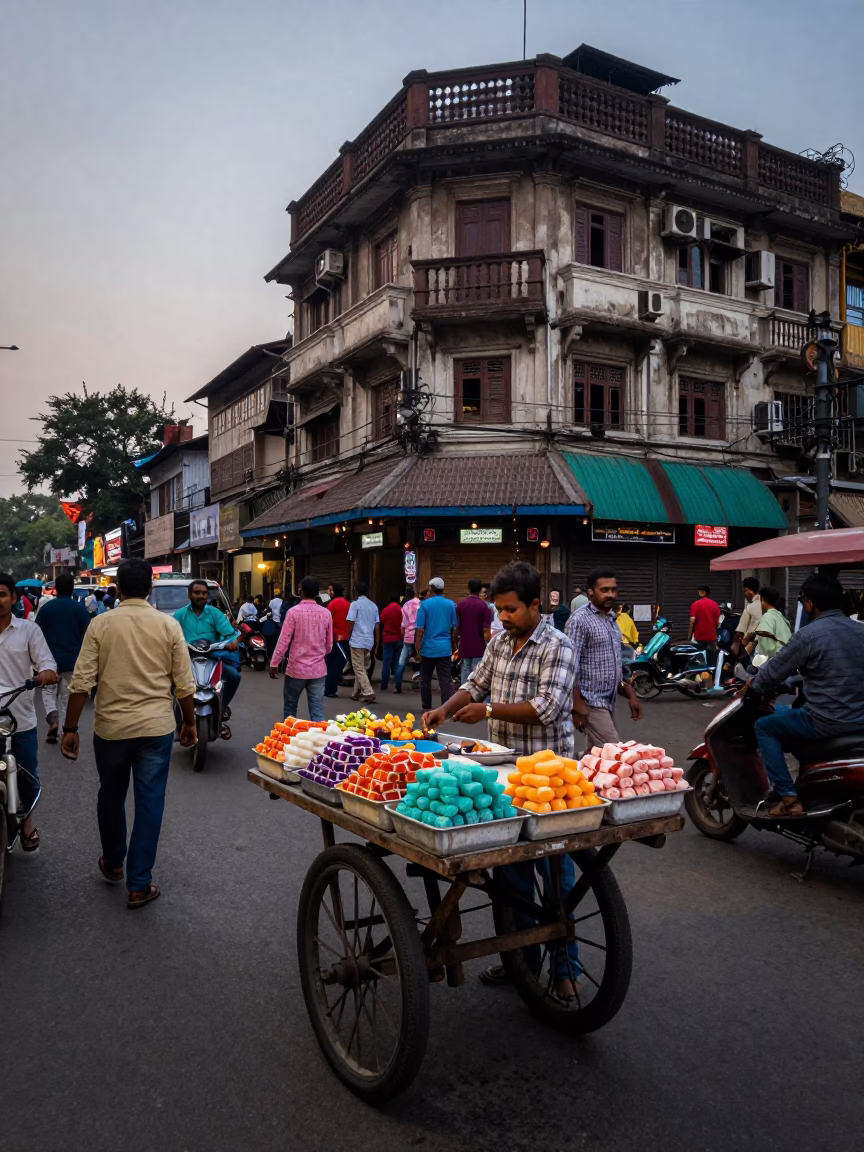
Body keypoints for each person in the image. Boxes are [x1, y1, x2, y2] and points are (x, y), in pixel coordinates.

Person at [422, 561, 581, 998]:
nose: (504, 617)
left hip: (552, 781)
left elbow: (548, 706)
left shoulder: (559, 645)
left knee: (558, 877)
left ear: (535, 605)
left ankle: (566, 970)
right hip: (505, 778)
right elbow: (475, 684)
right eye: (500, 609)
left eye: (511, 609)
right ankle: (521, 963)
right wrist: (445, 709)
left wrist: (488, 711)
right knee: (512, 877)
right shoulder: (499, 643)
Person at [61, 559, 197, 908]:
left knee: (110, 796)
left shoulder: (101, 625)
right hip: (156, 729)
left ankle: (113, 862)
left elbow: (81, 682)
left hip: (111, 730)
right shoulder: (168, 626)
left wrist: (70, 728)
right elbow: (183, 684)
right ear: (150, 589)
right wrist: (190, 722)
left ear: (117, 589)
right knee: (150, 804)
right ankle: (139, 884)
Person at [751, 571, 864, 817]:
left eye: (802, 601)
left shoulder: (808, 635)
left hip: (827, 722)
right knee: (788, 712)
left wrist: (753, 686)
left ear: (810, 603)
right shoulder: (860, 630)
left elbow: (770, 674)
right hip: (860, 721)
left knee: (765, 725)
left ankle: (789, 799)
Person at [0, 572, 58, 854]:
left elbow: (46, 661)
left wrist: (46, 673)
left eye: (2, 594)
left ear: (12, 598)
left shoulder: (28, 631)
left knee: (26, 772)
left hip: (19, 719)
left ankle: (27, 823)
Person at [565, 568, 642, 750]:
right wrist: (577, 706)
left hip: (609, 700)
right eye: (604, 590)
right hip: (589, 701)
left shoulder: (611, 619)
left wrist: (630, 694)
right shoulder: (579, 620)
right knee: (615, 753)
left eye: (613, 590)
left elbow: (615, 662)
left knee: (597, 758)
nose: (610, 594)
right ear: (590, 592)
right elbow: (568, 667)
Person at [173, 580, 241, 735]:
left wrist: (231, 642)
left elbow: (230, 634)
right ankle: (175, 716)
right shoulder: (179, 615)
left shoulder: (215, 613)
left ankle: (221, 709)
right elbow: (170, 636)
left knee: (234, 676)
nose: (201, 596)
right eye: (197, 593)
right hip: (186, 659)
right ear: (189, 595)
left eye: (204, 593)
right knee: (170, 682)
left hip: (212, 656)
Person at [34, 571, 91, 743]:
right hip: (73, 659)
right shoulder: (79, 608)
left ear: (56, 589)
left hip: (49, 660)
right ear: (72, 588)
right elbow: (87, 634)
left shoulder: (46, 609)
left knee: (48, 692)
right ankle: (65, 732)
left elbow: (37, 634)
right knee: (67, 696)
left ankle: (53, 720)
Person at [269, 575, 332, 721]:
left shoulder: (293, 612)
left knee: (290, 709)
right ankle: (319, 741)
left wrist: (274, 662)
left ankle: (288, 739)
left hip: (296, 670)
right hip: (318, 670)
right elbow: (329, 644)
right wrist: (320, 655)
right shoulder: (326, 613)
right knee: (317, 711)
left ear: (301, 591)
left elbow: (284, 640)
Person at [414, 577, 458, 710]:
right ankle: (446, 706)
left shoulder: (425, 605)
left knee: (425, 678)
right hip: (445, 648)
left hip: (428, 649)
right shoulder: (451, 604)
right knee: (445, 679)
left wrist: (417, 649)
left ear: (431, 589)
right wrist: (453, 646)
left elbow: (420, 630)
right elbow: (454, 628)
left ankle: (426, 705)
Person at [346, 582, 379, 703]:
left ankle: (368, 691)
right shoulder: (374, 606)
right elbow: (377, 626)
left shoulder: (355, 605)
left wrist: (349, 635)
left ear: (356, 592)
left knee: (358, 667)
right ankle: (356, 692)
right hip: (368, 640)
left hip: (357, 640)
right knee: (362, 667)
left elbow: (350, 621)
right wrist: (376, 641)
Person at [456, 578, 493, 682]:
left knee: (464, 671)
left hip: (465, 646)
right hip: (479, 647)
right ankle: (474, 696)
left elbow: (457, 627)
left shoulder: (461, 604)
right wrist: (488, 645)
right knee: (476, 673)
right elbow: (486, 630)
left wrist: (455, 641)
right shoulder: (484, 606)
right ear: (480, 589)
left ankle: (463, 695)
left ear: (469, 588)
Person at [747, 585, 791, 665]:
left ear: (762, 599)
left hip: (774, 665)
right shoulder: (781, 618)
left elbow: (767, 648)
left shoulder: (767, 617)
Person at [324, 582, 351, 698]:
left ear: (334, 592)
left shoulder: (331, 605)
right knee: (338, 665)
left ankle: (329, 689)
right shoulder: (349, 604)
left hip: (334, 639)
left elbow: (327, 622)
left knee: (331, 666)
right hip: (347, 638)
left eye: (330, 591)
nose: (329, 593)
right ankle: (331, 688)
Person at [395, 584, 420, 694]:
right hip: (419, 636)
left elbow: (403, 625)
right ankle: (419, 684)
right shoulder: (421, 604)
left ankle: (398, 686)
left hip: (408, 637)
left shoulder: (404, 606)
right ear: (414, 593)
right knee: (420, 661)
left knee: (401, 662)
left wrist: (402, 637)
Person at [733, 576, 762, 663]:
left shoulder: (750, 607)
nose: (745, 594)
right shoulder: (765, 604)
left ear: (750, 591)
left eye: (745, 591)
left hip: (750, 644)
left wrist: (736, 639)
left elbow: (740, 630)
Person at [379, 594, 404, 692]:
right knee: (397, 663)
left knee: (386, 663)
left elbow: (382, 621)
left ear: (389, 599)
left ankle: (384, 685)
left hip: (388, 639)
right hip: (398, 638)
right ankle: (397, 684)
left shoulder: (385, 610)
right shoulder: (401, 610)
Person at [688, 584, 721, 652]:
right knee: (711, 658)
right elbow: (717, 623)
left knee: (700, 658)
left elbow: (692, 621)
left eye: (699, 591)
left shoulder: (696, 604)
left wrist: (689, 636)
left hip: (699, 637)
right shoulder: (715, 604)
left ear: (703, 592)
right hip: (712, 637)